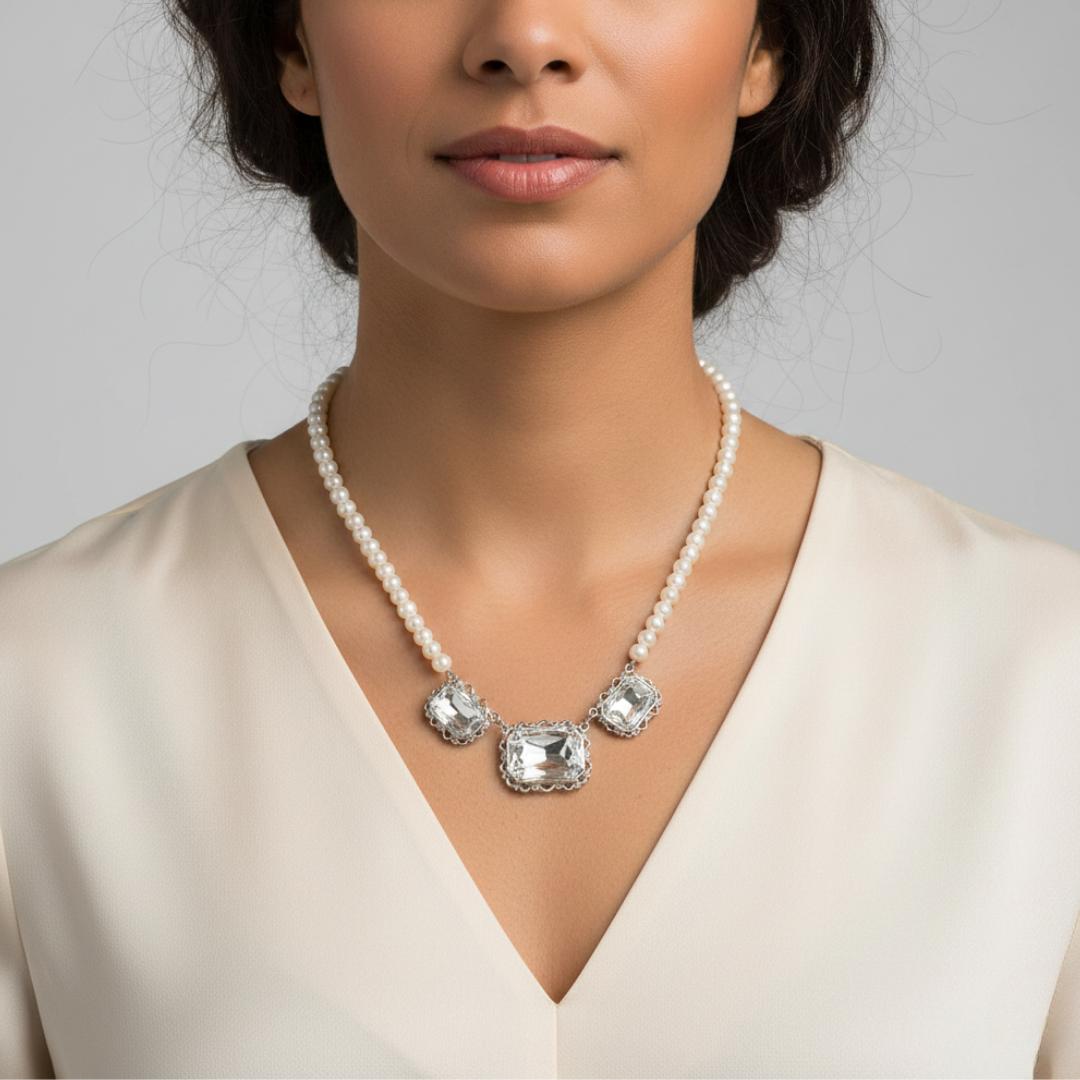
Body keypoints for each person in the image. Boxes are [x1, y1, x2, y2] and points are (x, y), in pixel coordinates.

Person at [1, 0, 1077, 1075]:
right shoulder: (38, 687)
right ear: (289, 39)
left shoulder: (1041, 678)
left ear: (768, 45)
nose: (525, 35)